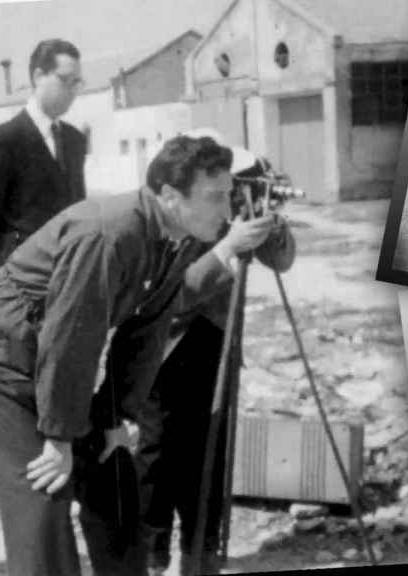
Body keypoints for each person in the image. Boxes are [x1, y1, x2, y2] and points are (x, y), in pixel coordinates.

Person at [0, 135, 280, 576]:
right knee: (42, 498)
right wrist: (59, 436)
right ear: (169, 196)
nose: (226, 211)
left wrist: (113, 419)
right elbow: (73, 335)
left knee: (114, 476)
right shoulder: (111, 232)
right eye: (215, 197)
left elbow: (147, 329)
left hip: (50, 352)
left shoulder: (175, 234)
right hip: (0, 353)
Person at [136, 154, 296, 576]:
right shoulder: (181, 211)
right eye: (224, 189)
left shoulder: (237, 212)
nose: (229, 196)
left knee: (209, 453)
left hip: (216, 345)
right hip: (165, 348)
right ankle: (151, 556)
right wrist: (229, 245)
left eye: (238, 188)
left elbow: (280, 261)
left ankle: (200, 554)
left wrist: (269, 222)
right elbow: (177, 294)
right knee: (157, 456)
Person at [0, 38, 87, 275]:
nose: (72, 91)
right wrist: (4, 277)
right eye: (64, 80)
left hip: (69, 279)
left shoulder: (75, 141)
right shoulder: (2, 142)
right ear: (38, 76)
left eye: (76, 83)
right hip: (22, 283)